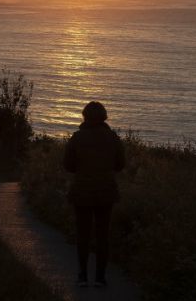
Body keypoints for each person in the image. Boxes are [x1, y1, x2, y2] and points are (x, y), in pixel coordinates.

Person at [63, 101, 125, 288]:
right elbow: (120, 165)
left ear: (85, 116)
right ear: (104, 117)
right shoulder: (113, 138)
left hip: (82, 191)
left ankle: (82, 276)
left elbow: (68, 165)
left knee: (83, 234)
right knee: (102, 235)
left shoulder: (77, 137)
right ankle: (100, 277)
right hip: (106, 191)